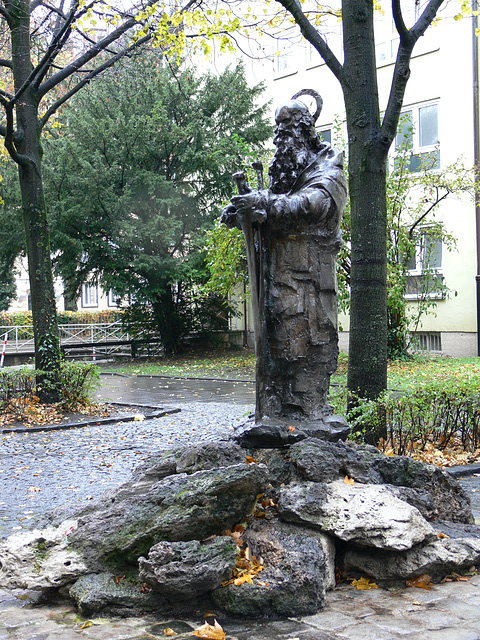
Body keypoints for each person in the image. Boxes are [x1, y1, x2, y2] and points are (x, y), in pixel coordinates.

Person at [222, 91, 347, 422]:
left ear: (305, 132)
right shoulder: (286, 175)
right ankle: (275, 412)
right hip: (277, 278)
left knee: (306, 347)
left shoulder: (328, 172)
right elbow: (273, 203)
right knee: (277, 347)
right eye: (276, 133)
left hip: (310, 282)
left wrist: (265, 205)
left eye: (286, 131)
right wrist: (242, 210)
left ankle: (308, 413)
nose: (279, 140)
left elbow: (309, 205)